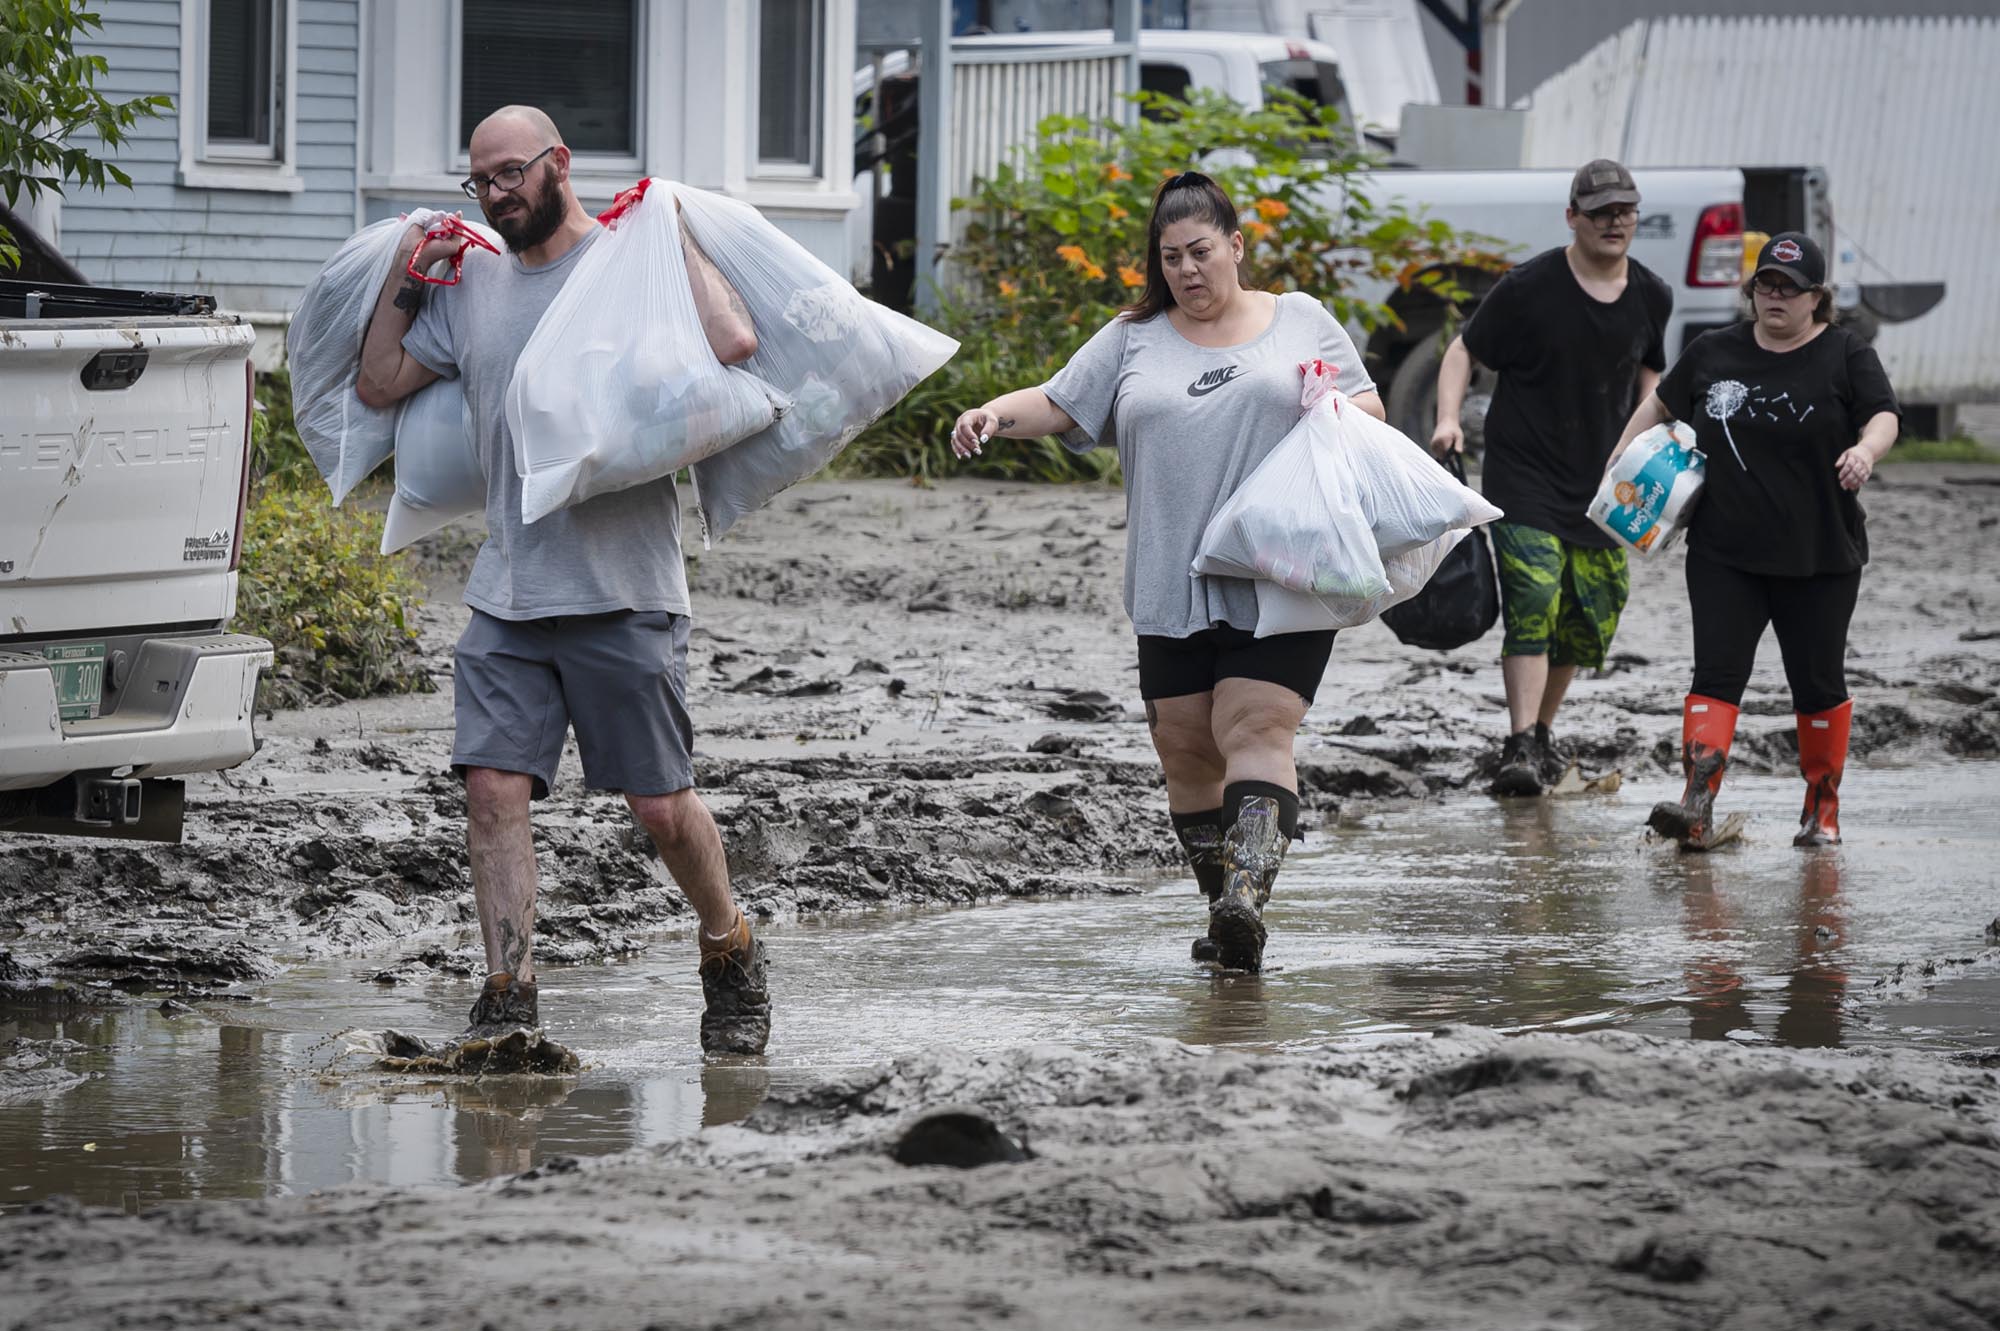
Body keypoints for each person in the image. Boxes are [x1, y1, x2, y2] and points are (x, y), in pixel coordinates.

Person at [354, 106, 772, 1054]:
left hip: (625, 587)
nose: (497, 195)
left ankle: (729, 947)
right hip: (508, 590)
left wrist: (670, 237)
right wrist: (406, 275)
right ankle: (510, 995)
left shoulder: (627, 260)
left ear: (559, 165)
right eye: (481, 181)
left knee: (661, 805)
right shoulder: (471, 286)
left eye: (511, 174)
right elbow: (379, 381)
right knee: (492, 792)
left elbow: (735, 343)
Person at [949, 171, 1386, 973]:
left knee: (1256, 728)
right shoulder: (1133, 336)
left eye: (1201, 252)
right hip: (1167, 576)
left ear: (1236, 247)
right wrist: (992, 416)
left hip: (1279, 572)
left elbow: (1370, 410)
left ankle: (1246, 899)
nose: (1187, 270)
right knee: (1185, 749)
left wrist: (1321, 402)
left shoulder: (1299, 321)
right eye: (1171, 257)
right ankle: (1226, 920)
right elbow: (1060, 401)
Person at [1610, 231, 1898, 850]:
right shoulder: (1715, 350)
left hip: (1819, 554)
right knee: (1716, 673)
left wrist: (1865, 451)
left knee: (1817, 682)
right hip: (1724, 552)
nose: (1775, 296)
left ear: (1817, 298)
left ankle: (1821, 810)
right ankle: (1697, 805)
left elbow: (1883, 413)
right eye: (1766, 283)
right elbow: (1659, 406)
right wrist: (1621, 461)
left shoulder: (1846, 353)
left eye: (1790, 288)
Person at [1431, 159, 1673, 796]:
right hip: (1524, 476)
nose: (1613, 222)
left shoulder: (1652, 294)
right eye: (1599, 213)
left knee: (1586, 619)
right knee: (1535, 602)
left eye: (1624, 211)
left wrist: (1655, 438)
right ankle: (1518, 744)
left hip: (1606, 486)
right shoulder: (1529, 287)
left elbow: (1652, 371)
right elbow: (1464, 349)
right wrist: (1449, 419)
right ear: (1573, 218)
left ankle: (1540, 732)